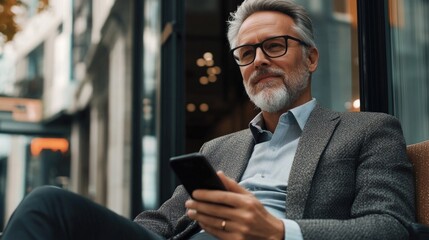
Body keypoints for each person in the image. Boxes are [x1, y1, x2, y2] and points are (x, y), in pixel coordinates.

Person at [1, 0, 415, 239]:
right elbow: (158, 225)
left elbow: (390, 227)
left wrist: (277, 231)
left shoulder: (369, 130)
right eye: (246, 53)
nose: (260, 62)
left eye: (274, 46)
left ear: (311, 57)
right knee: (47, 206)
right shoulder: (219, 149)